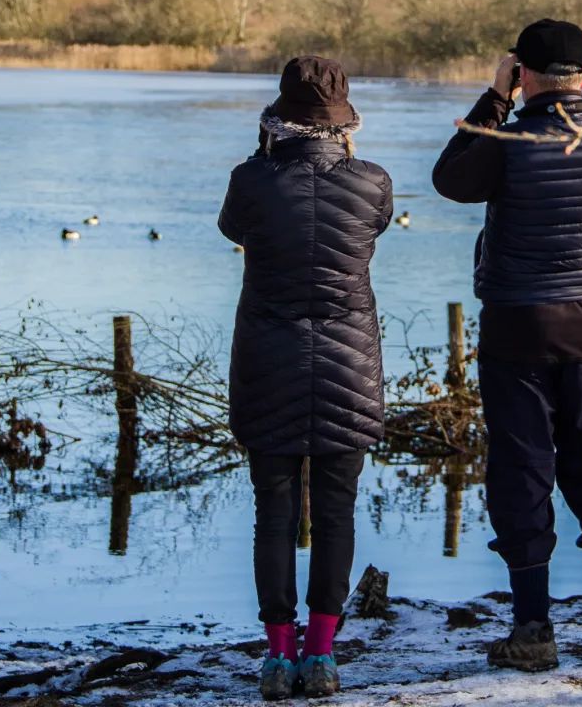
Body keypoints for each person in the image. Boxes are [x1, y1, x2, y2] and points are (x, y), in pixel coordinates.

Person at [432, 19, 582, 671]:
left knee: (522, 474)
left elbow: (449, 178)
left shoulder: (507, 140)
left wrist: (493, 99)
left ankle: (533, 630)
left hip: (519, 329)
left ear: (520, 73)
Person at [218, 55, 393, 700]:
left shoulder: (251, 180)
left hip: (268, 361)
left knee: (274, 511)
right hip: (348, 364)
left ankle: (276, 655)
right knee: (338, 511)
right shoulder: (372, 181)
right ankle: (321, 654)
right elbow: (367, 227)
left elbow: (233, 227)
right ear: (344, 123)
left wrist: (263, 155)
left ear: (277, 120)